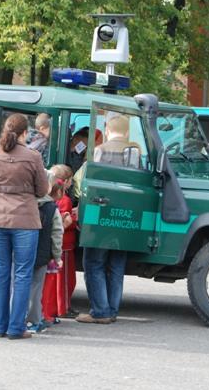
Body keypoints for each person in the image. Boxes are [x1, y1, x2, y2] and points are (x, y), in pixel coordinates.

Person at [0, 113, 49, 340]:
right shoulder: (33, 156)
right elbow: (42, 190)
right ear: (24, 133)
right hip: (25, 220)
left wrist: (0, 194)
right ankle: (16, 327)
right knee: (22, 273)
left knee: (0, 271)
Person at [76, 113, 134, 325]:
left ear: (108, 130)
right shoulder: (133, 153)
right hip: (126, 217)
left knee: (94, 263)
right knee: (117, 265)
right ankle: (113, 309)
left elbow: (88, 186)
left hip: (101, 215)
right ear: (127, 131)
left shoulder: (99, 151)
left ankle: (100, 311)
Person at [26, 171, 64, 334]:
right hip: (41, 254)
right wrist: (57, 256)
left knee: (17, 284)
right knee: (36, 287)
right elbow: (57, 234)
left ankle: (16, 317)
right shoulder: (51, 207)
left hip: (22, 250)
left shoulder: (25, 202)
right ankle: (33, 321)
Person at [42, 164, 78, 321]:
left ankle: (51, 308)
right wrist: (76, 217)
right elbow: (65, 223)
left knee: (51, 280)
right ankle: (63, 307)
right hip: (65, 245)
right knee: (65, 280)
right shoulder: (66, 200)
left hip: (52, 246)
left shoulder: (47, 197)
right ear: (67, 181)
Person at [70, 128, 103, 206]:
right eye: (84, 145)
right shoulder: (67, 154)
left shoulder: (79, 155)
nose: (84, 148)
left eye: (87, 147)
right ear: (75, 140)